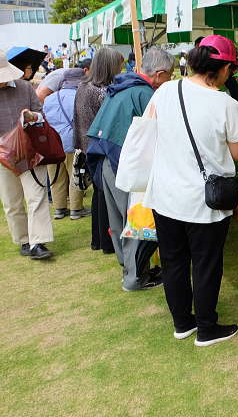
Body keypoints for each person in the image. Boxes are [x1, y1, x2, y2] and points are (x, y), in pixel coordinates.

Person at [142, 37, 238, 346]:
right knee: (206, 264)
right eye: (231, 68)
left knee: (173, 262)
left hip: (164, 195)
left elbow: (149, 129)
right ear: (223, 68)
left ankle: (182, 323)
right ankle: (207, 327)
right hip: (205, 201)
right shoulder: (226, 104)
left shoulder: (165, 90)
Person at [87, 47, 174, 291]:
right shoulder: (145, 93)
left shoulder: (120, 87)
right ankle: (135, 278)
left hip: (104, 158)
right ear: (159, 73)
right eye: (170, 75)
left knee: (117, 221)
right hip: (124, 163)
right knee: (135, 219)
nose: (169, 80)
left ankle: (129, 269)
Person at [0, 49, 54, 260]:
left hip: (30, 151)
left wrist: (32, 116)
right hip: (3, 157)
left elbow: (42, 115)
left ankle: (38, 242)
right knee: (12, 201)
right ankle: (23, 240)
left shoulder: (25, 87)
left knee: (36, 196)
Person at [75, 48, 123, 254]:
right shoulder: (101, 91)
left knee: (99, 196)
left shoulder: (84, 86)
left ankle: (99, 239)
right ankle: (107, 241)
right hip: (100, 148)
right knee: (106, 197)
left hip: (88, 146)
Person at [42, 65, 90, 220]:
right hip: (72, 142)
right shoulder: (80, 96)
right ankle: (76, 209)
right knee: (75, 175)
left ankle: (59, 209)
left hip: (52, 144)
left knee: (56, 178)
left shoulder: (49, 98)